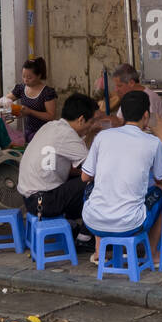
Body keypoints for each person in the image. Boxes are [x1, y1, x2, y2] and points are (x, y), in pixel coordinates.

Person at [80, 90, 162, 266]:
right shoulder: (153, 142)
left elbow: (85, 176)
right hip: (131, 224)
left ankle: (100, 252)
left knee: (91, 187)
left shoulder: (103, 136)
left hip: (93, 221)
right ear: (146, 115)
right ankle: (153, 254)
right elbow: (161, 178)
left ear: (122, 115)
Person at [17, 93, 98, 227]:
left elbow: (65, 168)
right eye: (91, 122)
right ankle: (86, 236)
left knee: (83, 179)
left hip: (31, 201)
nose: (91, 126)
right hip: (43, 203)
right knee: (97, 184)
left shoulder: (51, 126)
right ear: (81, 119)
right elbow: (95, 168)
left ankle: (74, 226)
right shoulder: (68, 135)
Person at [2, 57, 57, 144]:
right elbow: (3, 100)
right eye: (23, 76)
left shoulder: (47, 92)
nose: (25, 80)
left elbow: (51, 116)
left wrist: (30, 112)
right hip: (28, 132)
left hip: (44, 133)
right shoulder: (21, 88)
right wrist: (7, 104)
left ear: (39, 76)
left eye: (29, 77)